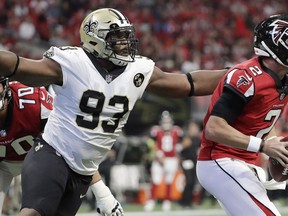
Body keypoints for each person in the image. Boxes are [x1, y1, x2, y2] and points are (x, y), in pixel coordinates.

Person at [0, 8, 226, 216]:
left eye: (127, 36)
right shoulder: (72, 62)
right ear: (95, 40)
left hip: (84, 170)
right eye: (117, 37)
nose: (125, 43)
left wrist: (233, 74)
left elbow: (187, 83)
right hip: (52, 153)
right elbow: (19, 66)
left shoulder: (138, 70)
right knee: (33, 213)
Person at [196, 14, 288, 216]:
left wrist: (277, 146)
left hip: (246, 162)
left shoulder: (284, 77)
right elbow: (213, 128)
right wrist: (263, 146)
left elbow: (261, 120)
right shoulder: (246, 77)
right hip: (219, 160)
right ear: (274, 45)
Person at [0, 77, 53, 215]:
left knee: (41, 208)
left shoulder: (33, 103)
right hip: (3, 166)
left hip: (37, 158)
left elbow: (67, 143)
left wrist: (101, 193)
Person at [144, 111, 183, 211]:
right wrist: (158, 154)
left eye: (168, 121)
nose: (166, 123)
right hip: (159, 159)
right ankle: (151, 200)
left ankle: (167, 201)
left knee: (169, 181)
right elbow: (151, 142)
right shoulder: (156, 130)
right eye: (164, 121)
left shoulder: (176, 130)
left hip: (171, 159)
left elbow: (184, 140)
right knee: (155, 180)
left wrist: (178, 149)